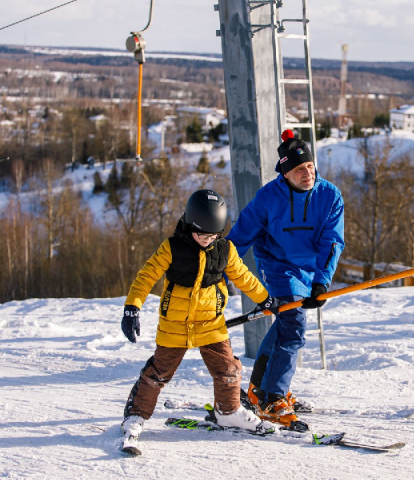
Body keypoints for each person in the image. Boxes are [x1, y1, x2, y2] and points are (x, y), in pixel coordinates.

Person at [120, 189, 282, 439]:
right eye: (202, 234)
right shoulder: (171, 248)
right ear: (189, 224)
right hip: (175, 324)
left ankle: (228, 412)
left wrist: (266, 298)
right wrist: (132, 307)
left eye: (213, 235)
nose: (207, 240)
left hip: (211, 323)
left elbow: (244, 278)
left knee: (228, 368)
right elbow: (146, 277)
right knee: (158, 373)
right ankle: (137, 415)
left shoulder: (225, 250)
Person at [227, 129, 345, 427]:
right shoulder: (268, 198)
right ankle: (272, 399)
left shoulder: (330, 195)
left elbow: (332, 242)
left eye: (309, 166)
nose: (307, 173)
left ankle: (258, 389)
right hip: (279, 265)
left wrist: (321, 282)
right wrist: (216, 272)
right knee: (293, 324)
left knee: (284, 321)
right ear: (285, 174)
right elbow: (240, 237)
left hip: (310, 269)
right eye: (298, 169)